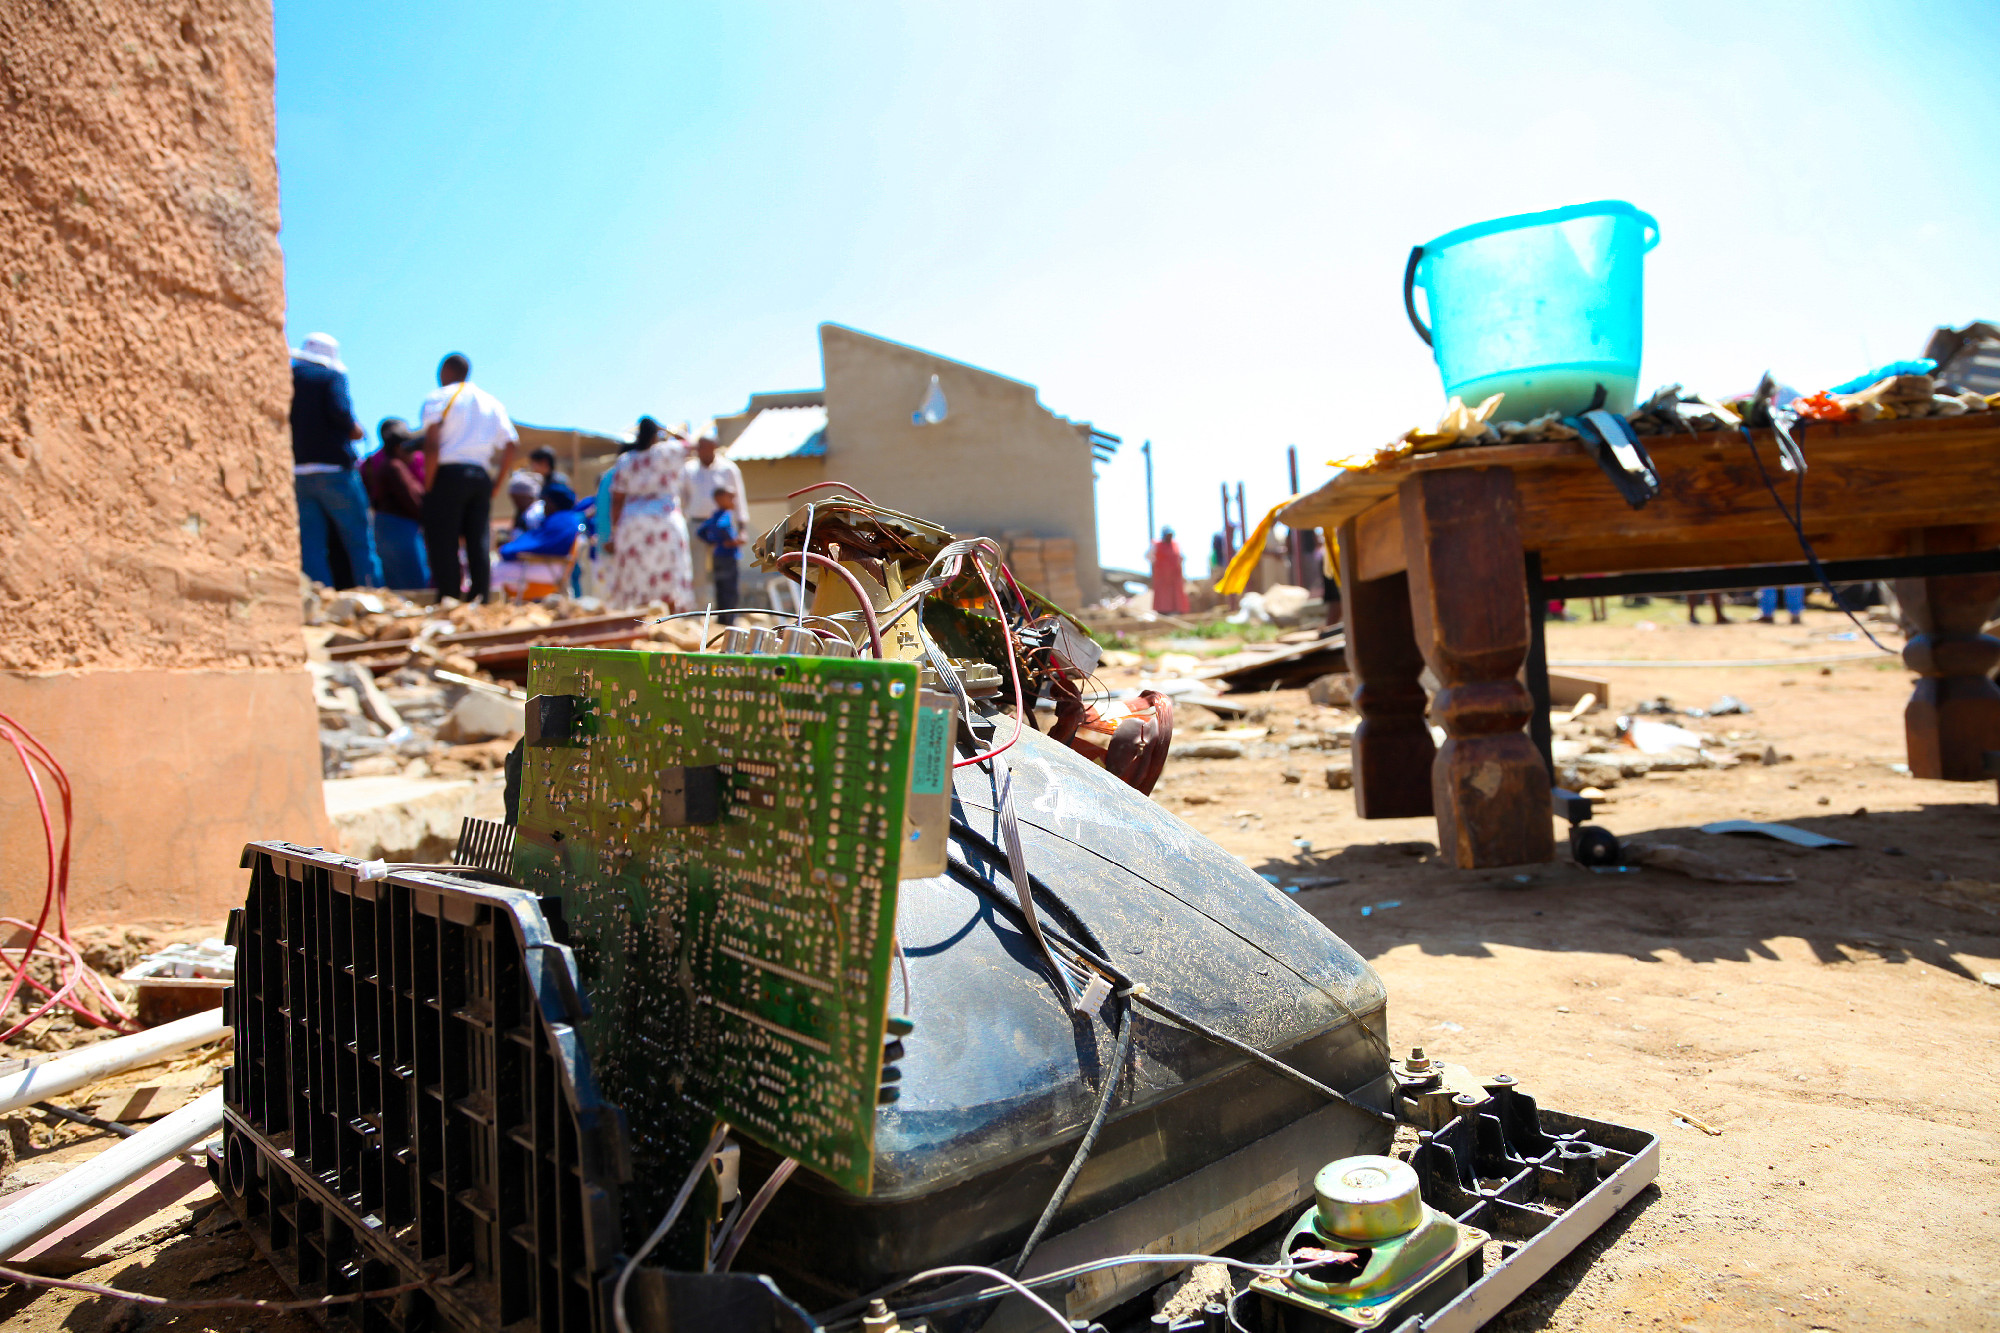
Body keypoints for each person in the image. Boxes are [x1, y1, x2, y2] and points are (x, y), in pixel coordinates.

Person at [419, 352, 517, 602]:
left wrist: (429, 484)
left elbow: (432, 443)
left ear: (446, 371)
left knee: (444, 540)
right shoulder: (491, 402)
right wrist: (496, 484)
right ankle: (480, 599)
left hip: (448, 474)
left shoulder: (441, 396)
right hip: (480, 476)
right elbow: (511, 444)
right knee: (478, 540)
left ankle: (449, 599)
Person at [289, 332, 382, 588]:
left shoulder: (288, 379)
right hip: (334, 471)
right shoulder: (331, 376)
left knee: (311, 544)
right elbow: (340, 412)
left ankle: (320, 599)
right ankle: (372, 594)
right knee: (359, 540)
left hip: (299, 471)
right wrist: (356, 429)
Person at [604, 416, 695, 611]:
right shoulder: (667, 452)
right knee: (669, 573)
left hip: (632, 524)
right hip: (664, 519)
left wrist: (614, 531)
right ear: (656, 435)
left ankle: (637, 620)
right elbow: (690, 443)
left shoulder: (626, 460)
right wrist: (668, 429)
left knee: (637, 575)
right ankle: (672, 617)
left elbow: (617, 500)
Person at [679, 435, 748, 607]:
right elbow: (681, 501)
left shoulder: (728, 469)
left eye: (708, 447)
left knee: (724, 572)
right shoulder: (688, 470)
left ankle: (725, 614)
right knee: (698, 573)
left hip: (723, 527)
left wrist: (742, 529)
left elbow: (739, 500)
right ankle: (701, 613)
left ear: (715, 447)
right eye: (701, 448)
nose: (704, 452)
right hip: (697, 526)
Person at [360, 419, 430, 589]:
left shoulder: (382, 464)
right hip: (400, 526)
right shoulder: (395, 467)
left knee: (397, 577)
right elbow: (412, 500)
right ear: (400, 448)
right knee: (412, 579)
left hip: (388, 526)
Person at [495, 481, 585, 600]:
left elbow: (542, 546)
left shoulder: (562, 521)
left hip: (549, 568)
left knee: (495, 571)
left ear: (554, 503)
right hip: (550, 567)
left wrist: (509, 550)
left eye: (546, 502)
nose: (544, 507)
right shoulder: (564, 518)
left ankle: (485, 611)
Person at [695, 484, 744, 624]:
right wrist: (733, 540)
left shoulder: (714, 515)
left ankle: (722, 619)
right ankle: (730, 620)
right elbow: (723, 526)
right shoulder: (725, 515)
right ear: (720, 499)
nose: (734, 502)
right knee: (731, 590)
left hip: (717, 556)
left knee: (721, 588)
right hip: (728, 557)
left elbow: (700, 532)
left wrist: (713, 541)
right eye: (731, 498)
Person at [1150, 527, 1188, 614]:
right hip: (1162, 577)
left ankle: (1177, 611)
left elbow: (1180, 558)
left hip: (1174, 576)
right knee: (1163, 596)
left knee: (1175, 595)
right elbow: (1149, 557)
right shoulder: (1157, 545)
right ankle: (1162, 612)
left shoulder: (1175, 545)